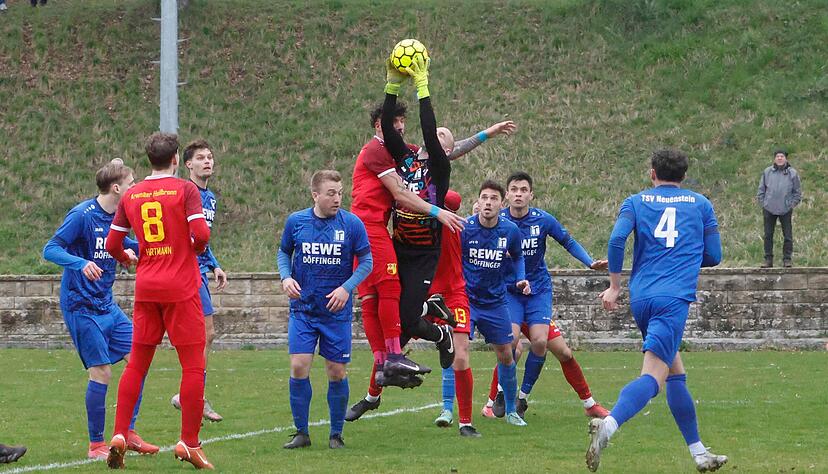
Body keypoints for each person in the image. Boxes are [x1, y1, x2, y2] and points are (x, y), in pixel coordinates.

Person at [586, 149, 727, 472]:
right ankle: (607, 426)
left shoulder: (636, 202)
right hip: (673, 299)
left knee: (676, 372)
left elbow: (618, 239)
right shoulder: (701, 205)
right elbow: (714, 255)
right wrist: (682, 255)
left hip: (643, 298)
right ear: (684, 176)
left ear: (652, 174)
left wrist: (615, 284)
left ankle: (699, 453)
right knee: (653, 377)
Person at [105, 132, 214, 470]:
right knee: (193, 365)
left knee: (137, 364)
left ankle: (121, 433)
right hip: (181, 288)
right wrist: (191, 252)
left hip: (147, 288)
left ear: (148, 159)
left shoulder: (133, 193)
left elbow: (112, 244)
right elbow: (203, 235)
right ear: (177, 160)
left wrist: (128, 258)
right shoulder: (186, 190)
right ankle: (189, 443)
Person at [42, 159, 158, 460]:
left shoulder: (121, 216)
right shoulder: (82, 215)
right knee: (102, 372)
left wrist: (140, 249)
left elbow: (120, 242)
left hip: (107, 305)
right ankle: (96, 445)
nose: (134, 188)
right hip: (81, 306)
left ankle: (127, 432)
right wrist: (82, 263)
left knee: (139, 358)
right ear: (117, 188)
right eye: (131, 183)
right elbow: (51, 249)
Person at [483, 172, 610, 420]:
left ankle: (526, 399)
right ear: (506, 195)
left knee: (555, 349)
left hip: (538, 291)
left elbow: (568, 241)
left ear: (531, 194)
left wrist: (590, 262)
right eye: (514, 190)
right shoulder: (497, 222)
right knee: (511, 345)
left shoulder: (543, 220)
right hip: (509, 293)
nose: (518, 194)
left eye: (523, 190)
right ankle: (496, 397)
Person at [277, 170, 372, 450]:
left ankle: (336, 434)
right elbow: (284, 252)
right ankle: (301, 433)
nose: (337, 198)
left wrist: (347, 288)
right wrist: (286, 277)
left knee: (336, 372)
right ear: (315, 195)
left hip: (335, 313)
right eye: (331, 193)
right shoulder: (296, 222)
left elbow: (367, 261)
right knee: (298, 367)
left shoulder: (352, 225)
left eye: (340, 192)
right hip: (304, 310)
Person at [461, 179, 529, 427]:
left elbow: (519, 257)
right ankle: (449, 411)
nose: (488, 202)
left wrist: (521, 279)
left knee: (507, 353)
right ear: (477, 202)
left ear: (502, 204)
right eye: (484, 198)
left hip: (495, 302)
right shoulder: (464, 228)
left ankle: (511, 411)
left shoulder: (510, 230)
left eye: (493, 199)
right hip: (467, 300)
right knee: (458, 351)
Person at [170, 139, 228, 422]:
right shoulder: (184, 192)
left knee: (205, 336)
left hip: (199, 271)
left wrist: (214, 264)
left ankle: (191, 395)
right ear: (188, 164)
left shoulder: (211, 198)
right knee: (202, 335)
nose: (208, 161)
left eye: (211, 157)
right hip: (184, 272)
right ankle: (192, 396)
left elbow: (201, 236)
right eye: (201, 158)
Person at [429, 190, 480, 437]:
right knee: (394, 345)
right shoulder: (410, 219)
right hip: (423, 295)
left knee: (459, 355)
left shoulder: (452, 221)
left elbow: (454, 199)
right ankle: (371, 395)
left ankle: (464, 422)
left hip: (453, 294)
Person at [756, 149, 801, 268]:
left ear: (786, 158)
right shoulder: (767, 172)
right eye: (777, 156)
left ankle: (787, 259)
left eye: (782, 156)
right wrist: (764, 203)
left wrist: (791, 204)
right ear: (774, 159)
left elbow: (797, 192)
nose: (780, 158)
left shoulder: (793, 173)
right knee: (768, 235)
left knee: (787, 235)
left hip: (785, 209)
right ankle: (768, 260)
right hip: (769, 208)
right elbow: (761, 190)